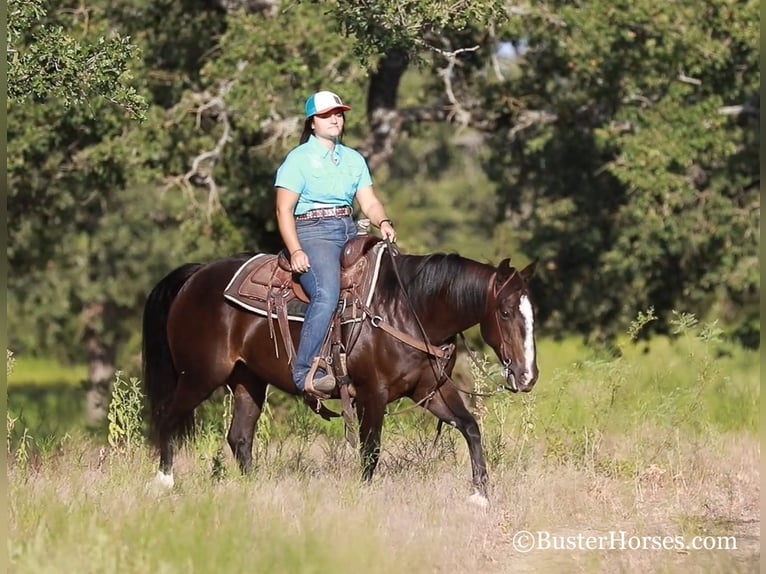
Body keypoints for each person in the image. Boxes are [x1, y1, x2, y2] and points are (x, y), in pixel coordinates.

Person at [275, 90, 396, 396]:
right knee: (327, 294)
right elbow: (283, 209)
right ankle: (304, 372)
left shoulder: (353, 159)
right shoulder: (298, 159)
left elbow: (368, 201)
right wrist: (296, 250)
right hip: (313, 231)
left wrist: (383, 221)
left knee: (387, 282)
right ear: (312, 123)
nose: (335, 119)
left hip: (348, 227)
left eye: (339, 114)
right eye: (327, 115)